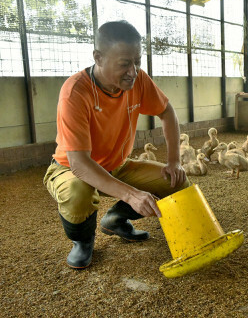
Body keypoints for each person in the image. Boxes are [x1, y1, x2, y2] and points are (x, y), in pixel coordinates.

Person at [43, 20, 190, 269]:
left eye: (137, 62)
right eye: (124, 64)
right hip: (71, 169)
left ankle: (116, 220)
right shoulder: (76, 92)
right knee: (79, 192)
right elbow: (79, 164)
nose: (133, 71)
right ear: (98, 58)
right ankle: (83, 241)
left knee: (177, 181)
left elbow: (167, 112)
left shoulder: (138, 81)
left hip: (117, 166)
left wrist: (174, 161)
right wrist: (131, 194)